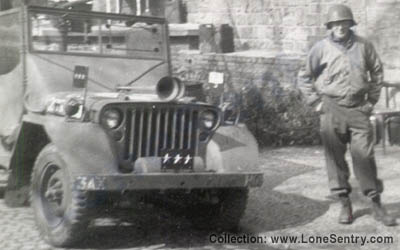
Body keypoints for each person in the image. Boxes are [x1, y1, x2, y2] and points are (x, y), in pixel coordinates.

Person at [298, 4, 396, 226]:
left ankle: (376, 204)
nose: (340, 27)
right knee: (335, 160)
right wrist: (316, 103)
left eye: (344, 23)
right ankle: (345, 203)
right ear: (330, 27)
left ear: (350, 24)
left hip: (359, 110)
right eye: (335, 24)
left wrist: (371, 100)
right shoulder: (320, 48)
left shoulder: (364, 46)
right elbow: (304, 77)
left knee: (365, 156)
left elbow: (377, 71)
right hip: (331, 109)